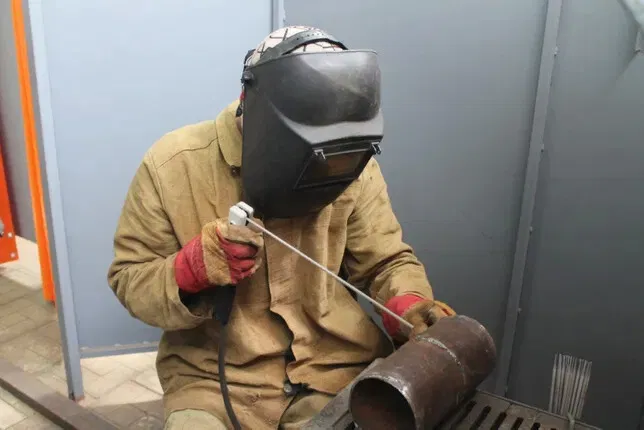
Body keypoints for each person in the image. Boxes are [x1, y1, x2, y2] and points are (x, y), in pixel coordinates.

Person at [107, 25, 455, 430]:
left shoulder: (350, 163)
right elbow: (130, 280)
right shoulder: (172, 166)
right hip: (214, 381)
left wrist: (406, 303)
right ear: (249, 104)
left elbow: (386, 262)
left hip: (334, 369)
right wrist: (190, 270)